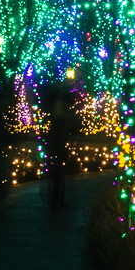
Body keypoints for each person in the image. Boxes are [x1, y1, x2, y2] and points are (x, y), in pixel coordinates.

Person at [43, 79, 77, 207]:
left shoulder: (57, 104)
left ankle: (57, 198)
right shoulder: (57, 106)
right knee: (58, 170)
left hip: (57, 141)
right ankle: (57, 198)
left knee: (58, 170)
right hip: (56, 142)